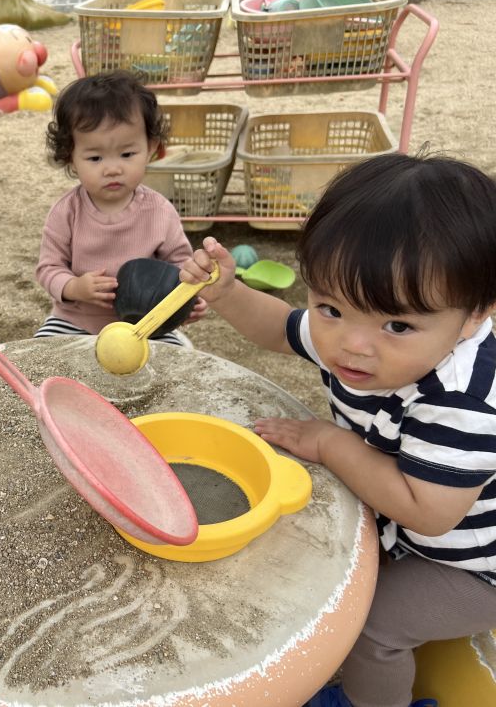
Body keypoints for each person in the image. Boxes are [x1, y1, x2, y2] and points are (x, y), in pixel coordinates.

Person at [179, 153, 496, 707]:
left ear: (476, 315)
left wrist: (331, 442)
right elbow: (279, 327)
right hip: (408, 524)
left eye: (397, 324)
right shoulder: (361, 328)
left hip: (469, 562)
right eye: (327, 307)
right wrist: (227, 294)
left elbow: (428, 511)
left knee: (372, 628)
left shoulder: (464, 400)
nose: (351, 345)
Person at [34, 70, 204, 345]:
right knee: (43, 354)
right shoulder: (67, 212)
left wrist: (187, 297)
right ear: (71, 158)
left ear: (151, 147)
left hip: (148, 325)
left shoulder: (160, 212)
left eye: (127, 154)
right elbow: (48, 268)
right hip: (75, 321)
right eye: (95, 157)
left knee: (176, 364)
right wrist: (74, 287)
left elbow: (180, 267)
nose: (113, 168)